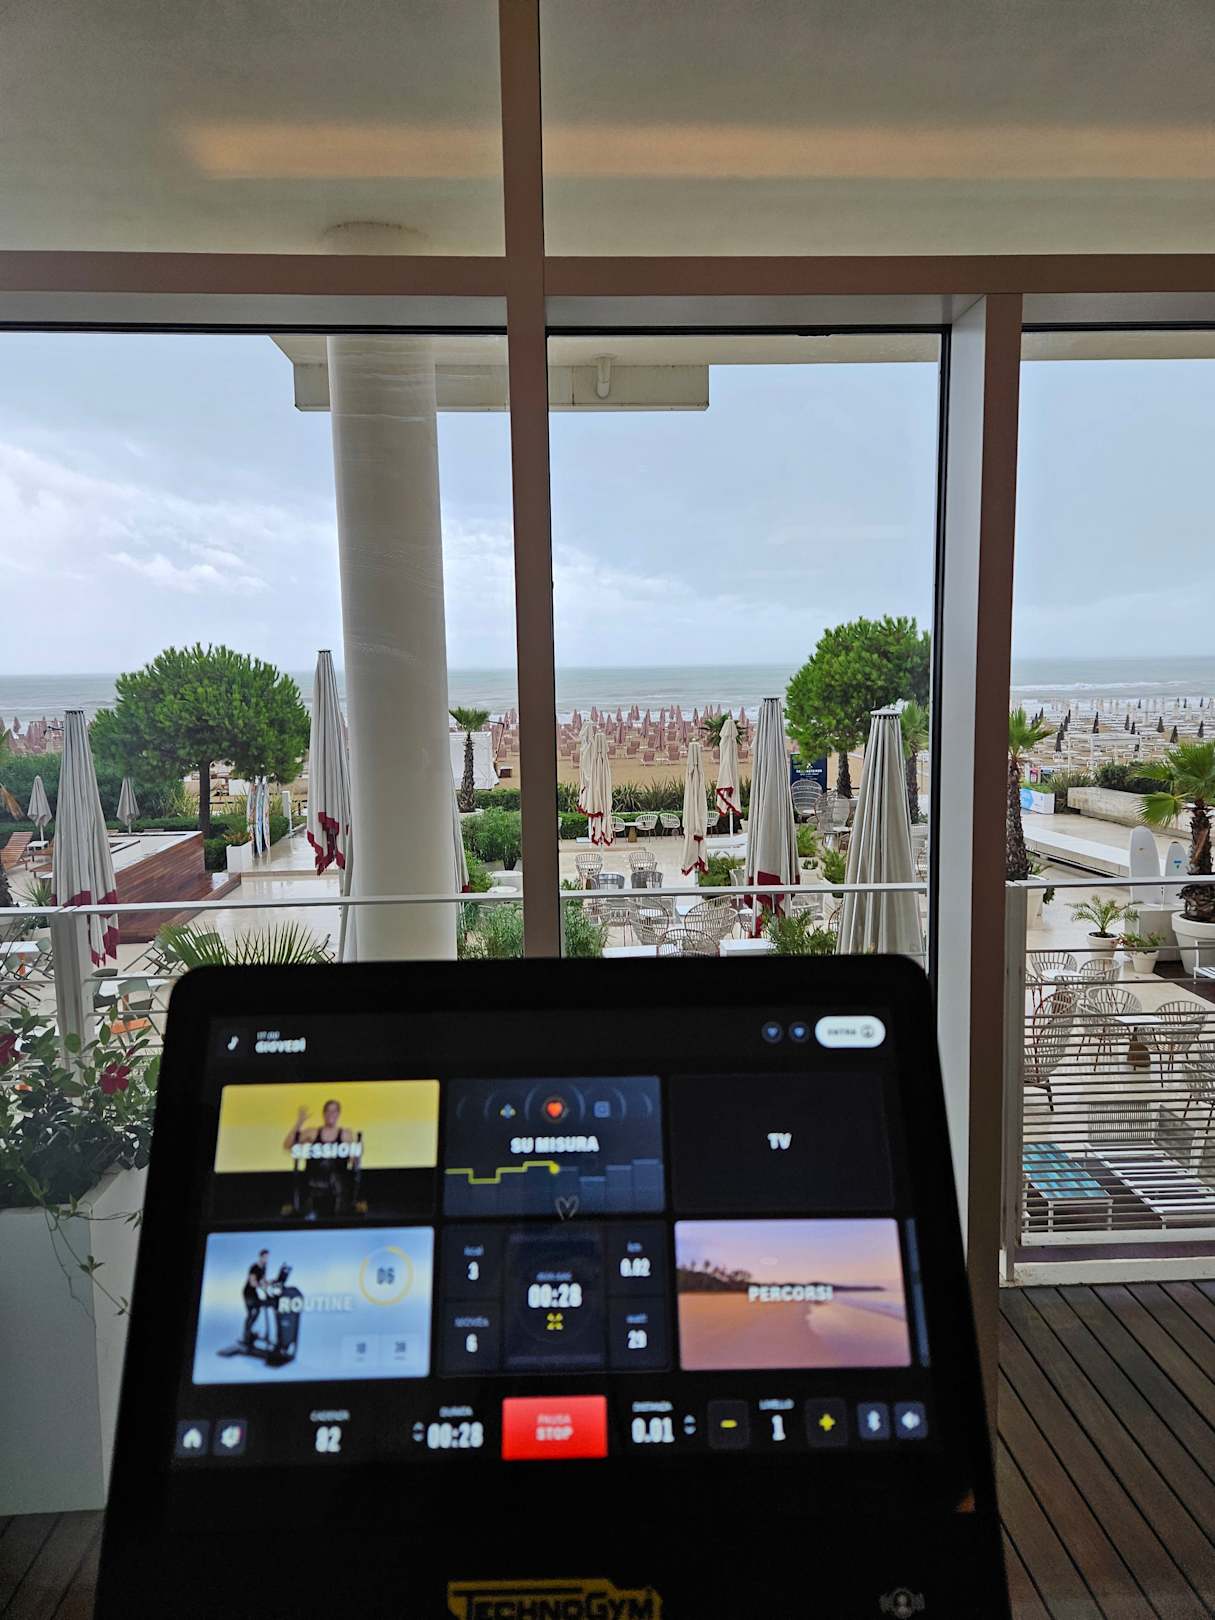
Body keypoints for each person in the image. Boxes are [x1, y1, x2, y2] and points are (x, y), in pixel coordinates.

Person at [242, 1249, 270, 1347]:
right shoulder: (254, 1267)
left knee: (257, 1311)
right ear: (260, 1257)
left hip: (254, 1293)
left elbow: (263, 1280)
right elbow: (252, 1283)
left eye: (267, 1257)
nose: (266, 1259)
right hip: (248, 1292)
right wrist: (262, 1285)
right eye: (265, 1257)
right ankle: (246, 1336)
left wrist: (270, 1283)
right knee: (251, 1314)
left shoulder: (264, 1267)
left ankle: (248, 1332)